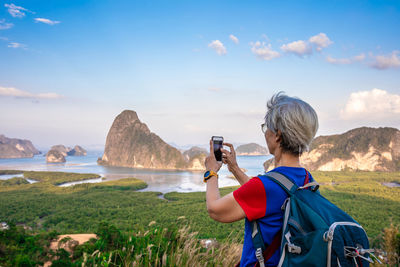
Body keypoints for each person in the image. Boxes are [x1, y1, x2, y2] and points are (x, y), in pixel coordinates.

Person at [204, 92, 319, 266]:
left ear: (278, 135)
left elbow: (215, 209)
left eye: (266, 127)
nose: (265, 133)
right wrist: (234, 168)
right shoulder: (307, 179)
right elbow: (267, 195)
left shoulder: (265, 187)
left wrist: (211, 172)